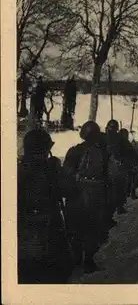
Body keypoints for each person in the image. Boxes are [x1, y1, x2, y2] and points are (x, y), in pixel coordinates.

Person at [18, 128, 74, 283]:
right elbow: (68, 190)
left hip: (24, 234)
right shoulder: (49, 168)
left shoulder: (19, 170)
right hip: (50, 230)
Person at [63, 121, 108, 274]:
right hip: (96, 193)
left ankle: (76, 258)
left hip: (77, 193)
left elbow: (66, 173)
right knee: (92, 228)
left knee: (75, 226)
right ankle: (88, 261)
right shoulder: (103, 152)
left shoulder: (74, 151)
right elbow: (108, 176)